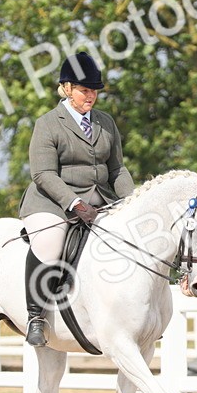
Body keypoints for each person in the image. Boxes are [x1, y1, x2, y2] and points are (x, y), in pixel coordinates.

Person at [18, 51, 135, 346]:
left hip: (100, 200)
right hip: (52, 201)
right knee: (50, 242)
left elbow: (117, 169)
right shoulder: (48, 123)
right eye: (85, 90)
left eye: (94, 91)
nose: (91, 96)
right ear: (67, 88)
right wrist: (75, 203)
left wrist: (133, 202)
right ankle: (36, 316)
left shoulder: (105, 122)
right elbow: (43, 173)